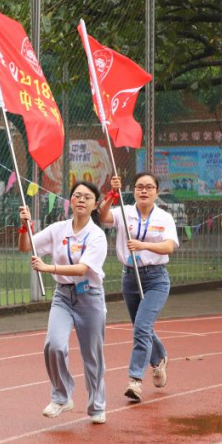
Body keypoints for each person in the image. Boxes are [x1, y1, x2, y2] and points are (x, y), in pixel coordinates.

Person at [18, 181, 109, 423]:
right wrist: (24, 225)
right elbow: (26, 246)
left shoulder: (97, 235)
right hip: (63, 296)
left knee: (92, 355)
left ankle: (97, 405)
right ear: (70, 201)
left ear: (95, 204)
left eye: (87, 197)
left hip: (90, 297)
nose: (81, 200)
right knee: (54, 345)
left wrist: (48, 267)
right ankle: (62, 395)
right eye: (77, 195)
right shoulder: (58, 229)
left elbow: (82, 269)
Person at [99, 172, 179, 403]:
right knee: (141, 326)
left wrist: (142, 245)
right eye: (139, 187)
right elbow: (103, 217)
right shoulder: (124, 212)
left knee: (142, 327)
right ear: (133, 190)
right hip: (130, 278)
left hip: (156, 279)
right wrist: (111, 196)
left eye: (149, 187)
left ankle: (135, 380)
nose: (144, 191)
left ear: (156, 191)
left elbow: (168, 247)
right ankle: (160, 357)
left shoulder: (164, 217)